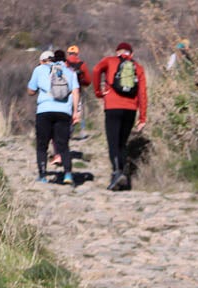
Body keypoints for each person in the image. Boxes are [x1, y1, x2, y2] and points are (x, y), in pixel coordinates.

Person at [92, 42, 148, 191]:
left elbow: (96, 70)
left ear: (117, 52)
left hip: (112, 107)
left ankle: (117, 173)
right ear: (132, 54)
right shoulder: (138, 68)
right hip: (130, 109)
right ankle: (124, 177)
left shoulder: (109, 61)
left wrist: (98, 92)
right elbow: (142, 93)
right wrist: (142, 117)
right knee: (122, 143)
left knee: (113, 142)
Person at [27, 49, 80, 186]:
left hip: (44, 111)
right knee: (63, 145)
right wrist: (76, 112)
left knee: (42, 144)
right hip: (64, 112)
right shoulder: (70, 72)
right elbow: (75, 92)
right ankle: (68, 174)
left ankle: (43, 175)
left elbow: (31, 90)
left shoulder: (39, 70)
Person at [65, 45, 91, 139]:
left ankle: (66, 132)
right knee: (76, 113)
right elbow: (88, 80)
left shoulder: (64, 63)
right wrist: (82, 83)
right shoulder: (81, 64)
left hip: (65, 92)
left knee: (66, 112)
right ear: (77, 53)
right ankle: (73, 130)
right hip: (78, 91)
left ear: (68, 53)